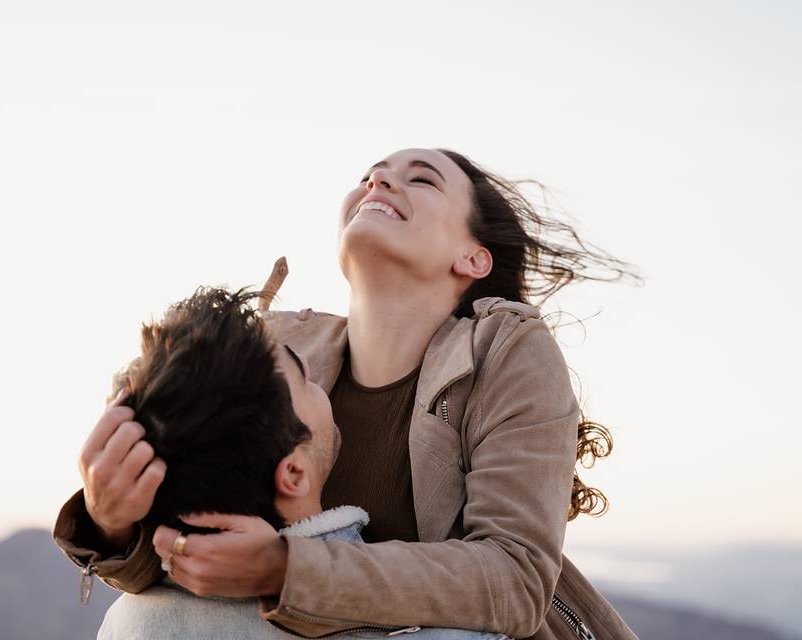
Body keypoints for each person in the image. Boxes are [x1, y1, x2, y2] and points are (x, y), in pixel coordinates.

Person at [53, 148, 639, 639]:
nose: (378, 180)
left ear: (473, 257)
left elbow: (515, 584)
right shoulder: (277, 349)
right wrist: (114, 526)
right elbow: (201, 552)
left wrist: (287, 570)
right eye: (370, 175)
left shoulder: (506, 349)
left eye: (422, 178)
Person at [89, 285, 509, 639]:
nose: (311, 363)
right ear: (292, 473)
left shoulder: (127, 623)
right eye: (302, 377)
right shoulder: (448, 634)